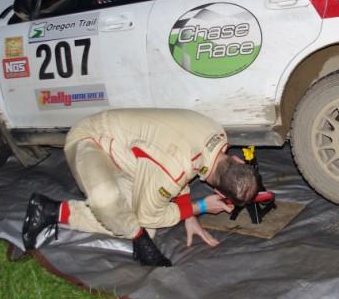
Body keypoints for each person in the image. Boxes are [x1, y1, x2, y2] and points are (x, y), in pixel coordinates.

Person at [21, 109, 259, 266]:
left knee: (144, 225)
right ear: (218, 192)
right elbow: (153, 207)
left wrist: (188, 215)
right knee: (112, 204)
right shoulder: (176, 167)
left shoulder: (217, 133)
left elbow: (187, 162)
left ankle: (49, 210)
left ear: (237, 160)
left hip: (130, 156)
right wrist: (199, 207)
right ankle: (58, 212)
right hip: (90, 140)